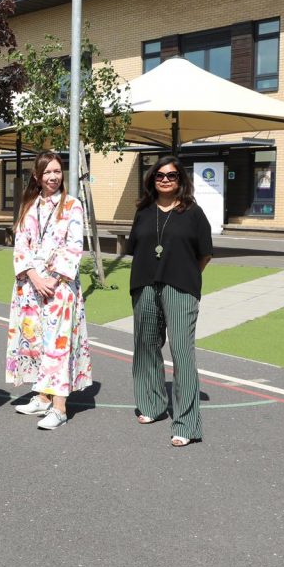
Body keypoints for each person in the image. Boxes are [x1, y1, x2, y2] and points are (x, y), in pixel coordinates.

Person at [126, 156, 213, 448]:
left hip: (180, 287)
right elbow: (135, 249)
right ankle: (151, 405)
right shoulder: (143, 211)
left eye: (172, 176)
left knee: (181, 350)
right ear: (152, 179)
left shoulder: (194, 213)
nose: (165, 179)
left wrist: (185, 276)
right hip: (144, 286)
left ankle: (187, 423)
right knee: (146, 346)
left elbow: (205, 254)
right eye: (160, 175)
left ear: (181, 180)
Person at [5, 152, 92, 429]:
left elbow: (74, 245)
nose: (53, 177)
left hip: (59, 287)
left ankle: (59, 407)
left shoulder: (72, 205)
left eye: (57, 171)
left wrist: (52, 279)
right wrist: (33, 276)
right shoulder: (30, 205)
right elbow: (21, 243)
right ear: (37, 177)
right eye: (47, 173)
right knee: (36, 340)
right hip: (29, 285)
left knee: (58, 344)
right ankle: (42, 396)